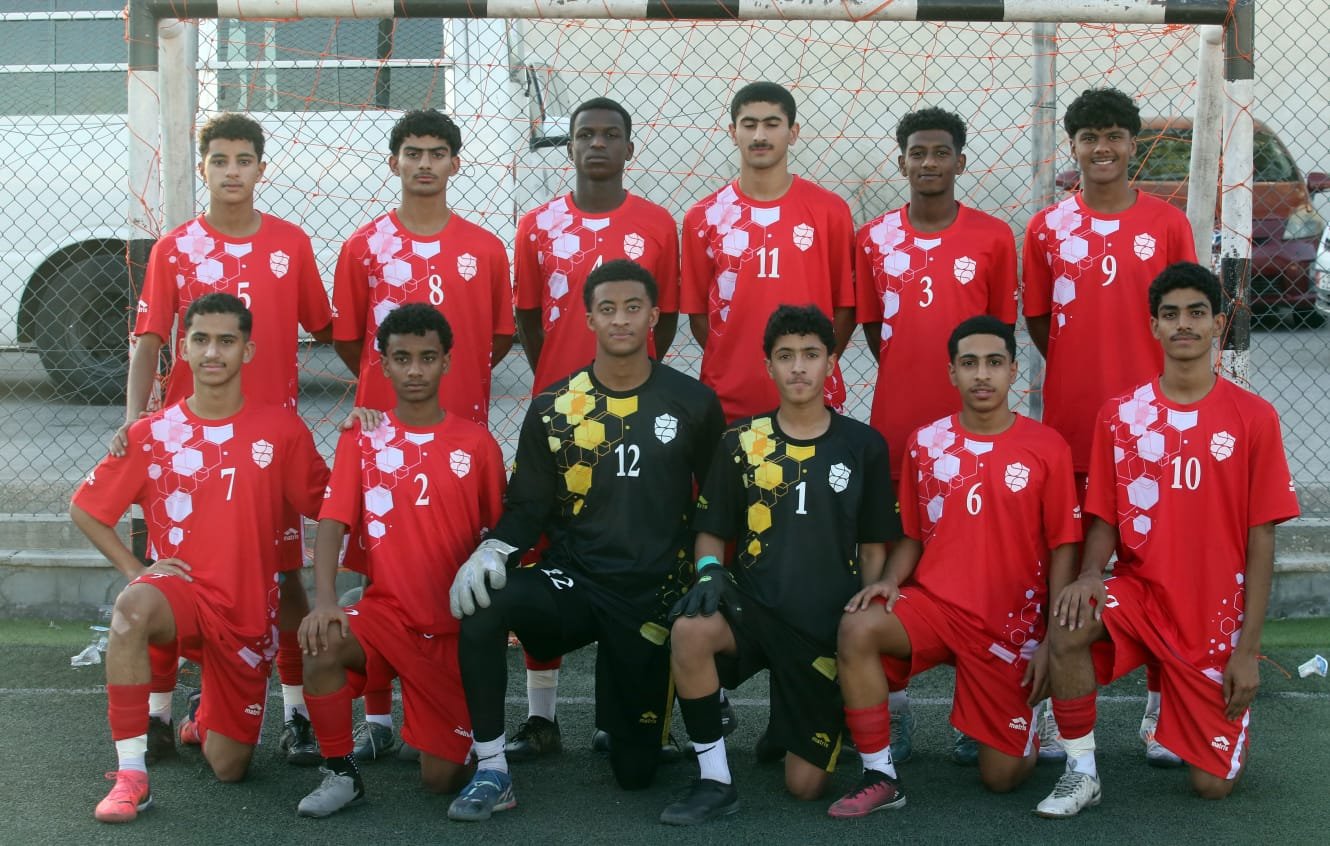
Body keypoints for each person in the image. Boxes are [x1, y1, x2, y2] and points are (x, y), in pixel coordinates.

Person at [446, 260, 725, 822]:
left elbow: (715, 505)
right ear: (589, 318)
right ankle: (492, 768)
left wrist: (707, 573)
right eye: (607, 309)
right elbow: (528, 507)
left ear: (654, 316)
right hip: (574, 580)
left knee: (635, 775)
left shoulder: (694, 401)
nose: (620, 319)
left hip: (652, 594)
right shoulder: (555, 407)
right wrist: (493, 549)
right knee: (485, 603)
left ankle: (650, 711)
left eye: (632, 308)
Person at [1034, 262, 1300, 817]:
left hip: (1212, 618)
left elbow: (1262, 541)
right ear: (1153, 325)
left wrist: (1247, 651)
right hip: (1142, 596)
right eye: (1171, 314)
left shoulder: (1254, 418)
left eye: (1196, 313)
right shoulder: (1121, 417)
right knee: (1070, 618)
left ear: (1217, 325)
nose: (1184, 324)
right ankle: (1081, 771)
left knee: (1211, 787)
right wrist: (1090, 574)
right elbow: (1104, 518)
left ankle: (1183, 708)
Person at [114, 113, 334, 766]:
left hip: (270, 449)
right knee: (170, 575)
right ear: (203, 167)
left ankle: (296, 714)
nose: (232, 171)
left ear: (261, 168)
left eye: (243, 160)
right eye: (220, 160)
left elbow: (328, 328)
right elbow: (149, 339)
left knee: (285, 579)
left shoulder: (291, 244)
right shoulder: (175, 248)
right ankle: (158, 714)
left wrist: (376, 396)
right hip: (191, 452)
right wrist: (135, 417)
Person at [72, 293, 329, 823]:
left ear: (247, 351)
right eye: (201, 340)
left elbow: (330, 505)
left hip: (247, 615)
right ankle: (131, 776)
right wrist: (136, 571)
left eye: (226, 341)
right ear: (183, 350)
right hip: (181, 594)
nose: (213, 352)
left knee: (229, 768)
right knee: (131, 608)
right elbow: (86, 509)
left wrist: (364, 437)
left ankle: (203, 717)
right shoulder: (151, 434)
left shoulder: (282, 430)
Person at [827, 316, 1081, 818]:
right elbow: (913, 537)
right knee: (858, 626)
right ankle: (881, 775)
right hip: (937, 609)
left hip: (1010, 628)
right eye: (969, 363)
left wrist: (1050, 640)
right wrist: (888, 581)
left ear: (1013, 371)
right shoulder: (926, 443)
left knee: (1002, 779)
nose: (981, 374)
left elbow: (1063, 549)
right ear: (952, 373)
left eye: (994, 363)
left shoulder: (1047, 447)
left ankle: (1013, 716)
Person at [660, 304, 900, 826]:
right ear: (768, 365)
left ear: (831, 362)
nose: (798, 367)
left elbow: (873, 547)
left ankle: (790, 725)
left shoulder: (863, 446)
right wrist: (709, 571)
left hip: (820, 628)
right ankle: (714, 780)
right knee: (690, 629)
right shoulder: (741, 442)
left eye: (810, 355)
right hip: (753, 608)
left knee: (804, 787)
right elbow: (711, 530)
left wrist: (863, 617)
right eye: (785, 356)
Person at [1022, 87, 1197, 764]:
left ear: (1132, 144)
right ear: (1073, 147)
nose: (1102, 148)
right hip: (1074, 428)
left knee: (1161, 567)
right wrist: (1081, 372)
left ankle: (1164, 704)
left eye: (1114, 136)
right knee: (1063, 567)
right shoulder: (1047, 229)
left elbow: (1182, 316)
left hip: (1157, 429)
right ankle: (1045, 704)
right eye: (1089, 137)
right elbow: (1041, 321)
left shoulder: (1168, 225)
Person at [332, 108, 514, 756]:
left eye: (438, 153)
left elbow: (498, 336)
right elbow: (350, 339)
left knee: (451, 568)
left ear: (455, 163)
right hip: (384, 442)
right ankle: (379, 721)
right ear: (395, 162)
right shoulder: (363, 246)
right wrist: (380, 398)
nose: (425, 163)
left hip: (457, 439)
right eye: (413, 152)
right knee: (382, 575)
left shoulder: (485, 248)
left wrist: (451, 398)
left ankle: (451, 710)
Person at [509, 97, 681, 760]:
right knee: (546, 554)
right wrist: (559, 379)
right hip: (561, 422)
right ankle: (541, 718)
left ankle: (621, 713)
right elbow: (529, 317)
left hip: (637, 423)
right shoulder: (536, 226)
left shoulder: (658, 225)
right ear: (572, 146)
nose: (598, 144)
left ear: (630, 148)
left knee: (628, 559)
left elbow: (665, 322)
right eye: (586, 135)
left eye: (612, 135)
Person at [293, 304, 505, 817]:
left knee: (440, 780)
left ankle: (428, 724)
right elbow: (332, 523)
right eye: (402, 358)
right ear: (383, 364)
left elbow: (500, 536)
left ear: (446, 362)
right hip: (387, 615)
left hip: (451, 629)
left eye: (427, 358)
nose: (415, 370)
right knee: (322, 642)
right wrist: (324, 601)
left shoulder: (477, 442)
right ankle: (342, 773)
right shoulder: (363, 438)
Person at [854, 106, 1019, 764]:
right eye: (917, 152)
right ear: (901, 162)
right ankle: (893, 711)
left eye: (940, 152)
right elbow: (876, 333)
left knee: (977, 571)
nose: (928, 162)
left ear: (960, 161)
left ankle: (975, 707)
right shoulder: (872, 239)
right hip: (897, 434)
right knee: (889, 569)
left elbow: (999, 338)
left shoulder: (994, 238)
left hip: (978, 441)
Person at [682, 82, 855, 423]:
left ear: (793, 133)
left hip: (812, 402)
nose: (760, 135)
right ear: (733, 133)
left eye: (772, 124)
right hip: (729, 398)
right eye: (749, 124)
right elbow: (698, 315)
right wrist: (735, 361)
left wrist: (813, 362)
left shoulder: (831, 211)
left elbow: (845, 308)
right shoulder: (703, 217)